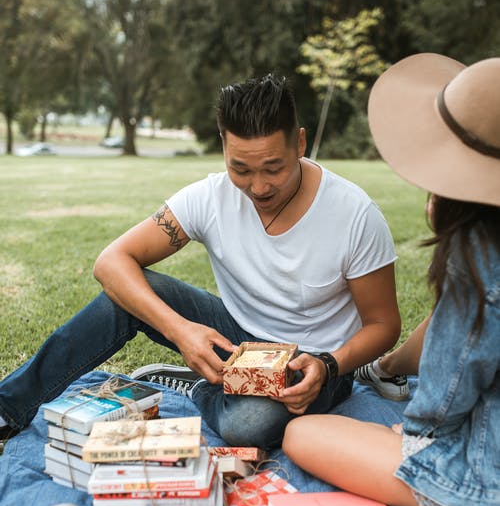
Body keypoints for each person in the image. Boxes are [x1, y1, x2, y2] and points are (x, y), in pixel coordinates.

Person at [0, 74, 401, 450]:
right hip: (235, 336)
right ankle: (8, 406)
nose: (258, 187)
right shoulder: (208, 197)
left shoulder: (355, 215)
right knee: (121, 295)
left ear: (299, 143)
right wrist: (181, 332)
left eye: (273, 168)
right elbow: (111, 262)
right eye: (240, 168)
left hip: (313, 362)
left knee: (247, 427)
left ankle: (197, 385)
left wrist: (331, 365)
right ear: (224, 144)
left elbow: (384, 326)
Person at [282, 54, 500, 506]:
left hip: (484, 486)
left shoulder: (482, 253)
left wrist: (405, 436)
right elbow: (459, 328)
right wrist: (386, 366)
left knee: (303, 435)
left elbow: (439, 407)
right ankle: (382, 374)